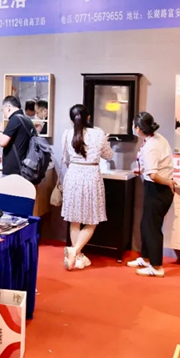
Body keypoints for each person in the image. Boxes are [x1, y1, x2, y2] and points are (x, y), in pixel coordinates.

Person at [61, 104, 114, 271]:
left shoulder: (67, 134)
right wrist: (105, 140)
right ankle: (75, 251)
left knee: (74, 219)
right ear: (88, 117)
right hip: (91, 176)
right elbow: (109, 155)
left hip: (73, 175)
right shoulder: (98, 133)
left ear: (72, 119)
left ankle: (77, 257)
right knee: (92, 220)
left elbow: (65, 158)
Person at [129, 112, 176, 278]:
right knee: (146, 225)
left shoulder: (151, 146)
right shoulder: (157, 139)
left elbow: (155, 175)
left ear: (139, 128)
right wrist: (142, 170)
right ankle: (146, 258)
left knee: (152, 228)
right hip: (154, 187)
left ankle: (156, 266)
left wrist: (168, 182)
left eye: (134, 126)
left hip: (158, 189)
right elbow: (155, 166)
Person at [0, 96, 32, 177]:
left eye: (3, 110)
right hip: (22, 167)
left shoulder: (15, 119)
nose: (4, 113)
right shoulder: (26, 119)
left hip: (13, 170)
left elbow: (2, 142)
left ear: (8, 107)